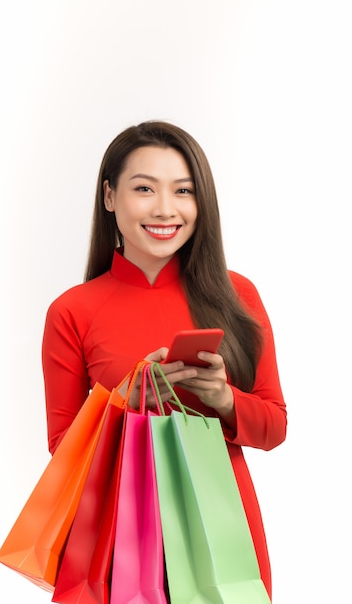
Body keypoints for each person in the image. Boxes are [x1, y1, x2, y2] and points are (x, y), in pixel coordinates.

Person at [41, 120, 287, 600]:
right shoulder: (73, 310)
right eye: (144, 189)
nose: (165, 209)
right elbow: (61, 449)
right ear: (110, 197)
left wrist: (224, 398)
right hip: (116, 541)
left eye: (183, 191)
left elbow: (274, 426)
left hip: (224, 532)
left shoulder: (238, 296)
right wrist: (122, 402)